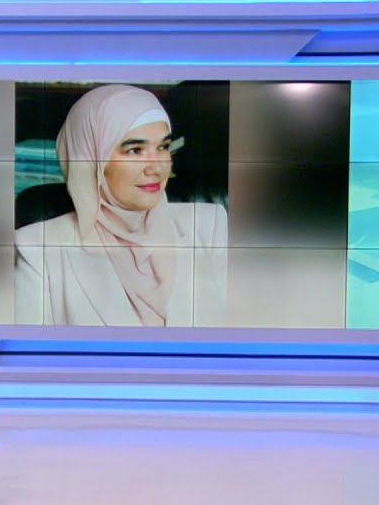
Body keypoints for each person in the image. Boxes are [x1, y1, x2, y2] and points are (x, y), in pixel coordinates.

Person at [14, 84, 227, 326]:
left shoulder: (209, 227)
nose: (157, 168)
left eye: (163, 147)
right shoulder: (37, 249)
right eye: (135, 150)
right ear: (92, 159)